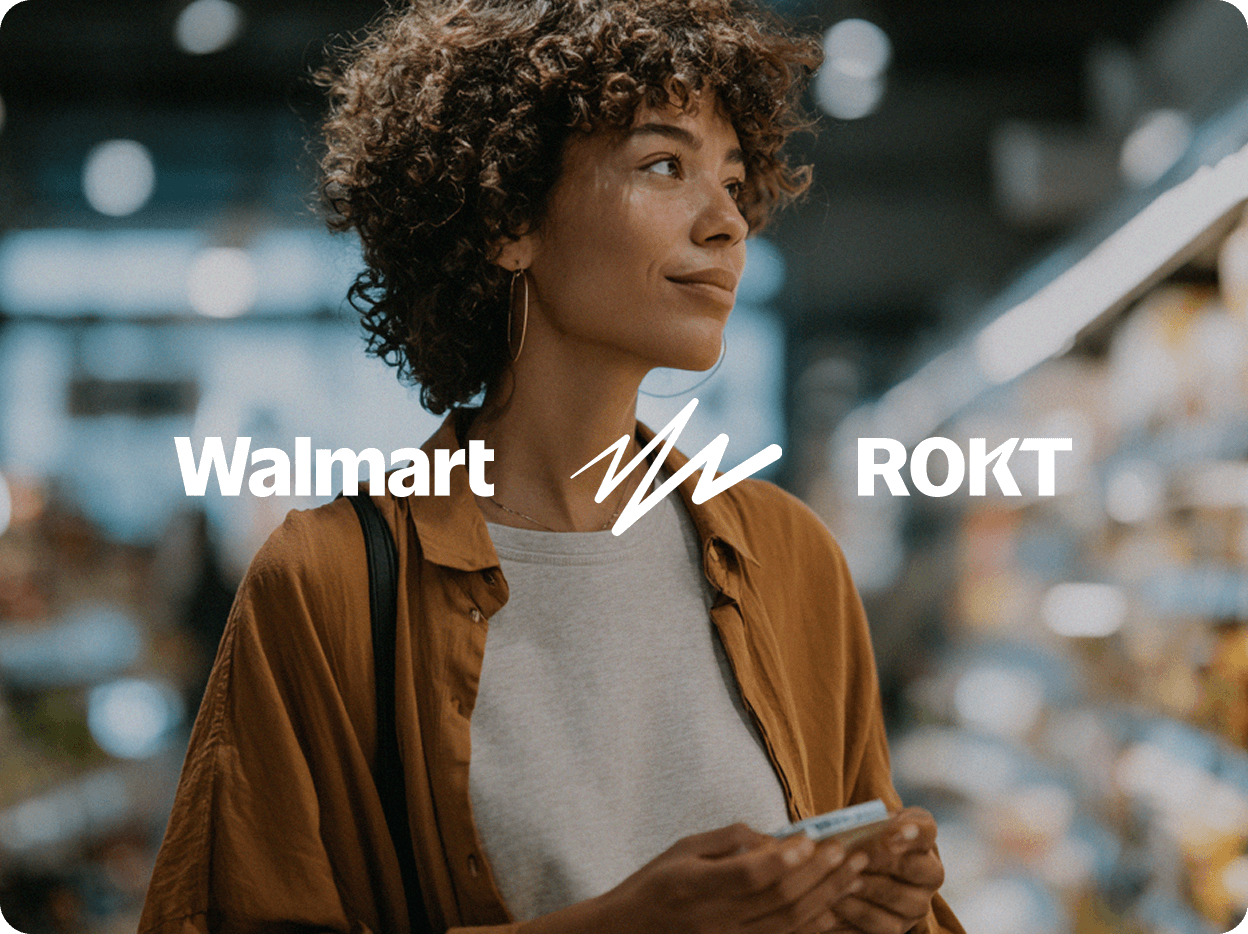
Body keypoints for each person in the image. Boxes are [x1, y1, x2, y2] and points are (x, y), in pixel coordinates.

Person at [139, 1, 965, 933]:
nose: (728, 221)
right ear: (507, 217)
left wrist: (882, 908)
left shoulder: (790, 560)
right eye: (665, 166)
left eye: (735, 182)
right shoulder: (327, 586)